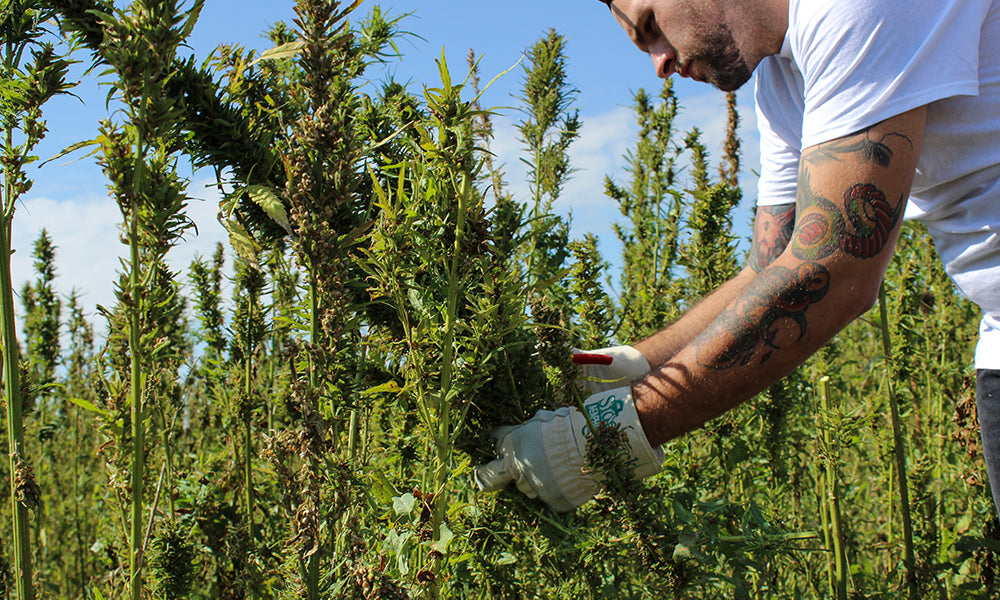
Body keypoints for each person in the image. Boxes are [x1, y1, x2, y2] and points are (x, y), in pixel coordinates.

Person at [475, 0, 1000, 515]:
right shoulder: (782, 74)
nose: (659, 63)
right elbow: (771, 266)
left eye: (652, 27)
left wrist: (600, 437)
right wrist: (634, 366)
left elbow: (834, 269)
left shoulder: (856, 8)